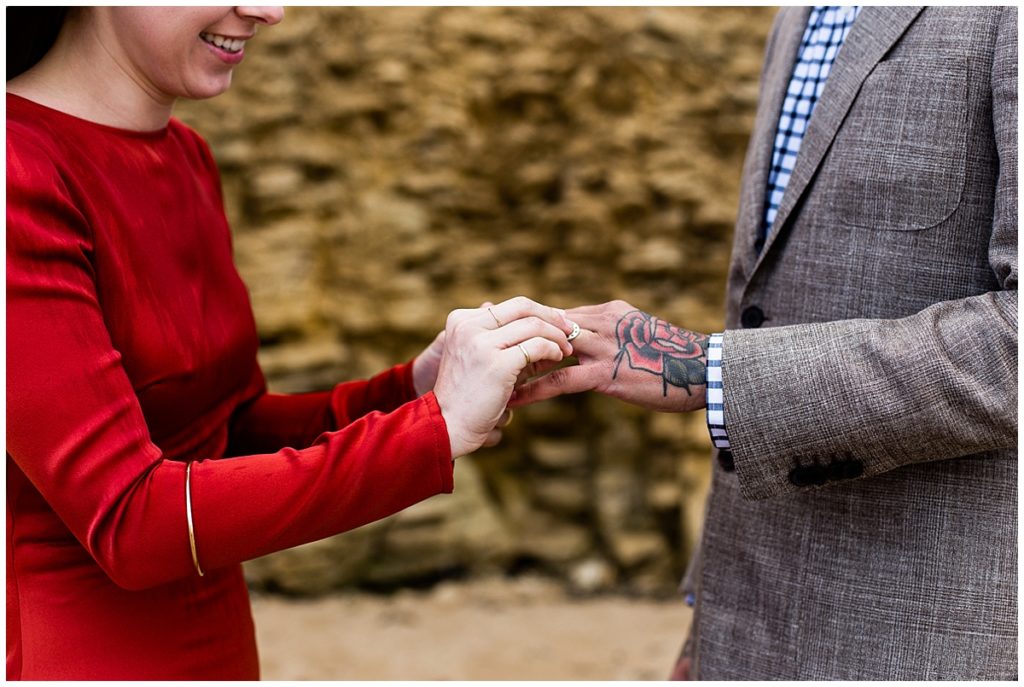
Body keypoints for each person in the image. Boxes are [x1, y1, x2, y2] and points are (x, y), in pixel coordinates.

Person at [6, 7, 577, 680]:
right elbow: (130, 522)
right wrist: (433, 431)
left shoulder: (185, 154)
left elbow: (228, 432)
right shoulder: (19, 172)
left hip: (219, 643)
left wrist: (413, 391)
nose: (267, 10)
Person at [514, 6, 1017, 680]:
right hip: (751, 625)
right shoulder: (798, 17)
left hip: (926, 639)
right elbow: (764, 307)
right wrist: (710, 616)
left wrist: (710, 371)